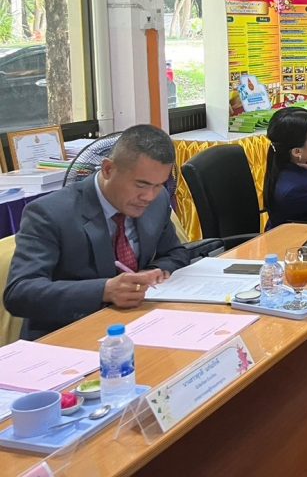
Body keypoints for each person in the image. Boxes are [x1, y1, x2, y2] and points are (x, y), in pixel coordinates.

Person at [4, 124, 189, 340]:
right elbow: (20, 292)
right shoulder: (50, 213)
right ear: (108, 169)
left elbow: (175, 254)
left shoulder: (158, 200)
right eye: (141, 185)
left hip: (137, 323)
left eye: (158, 185)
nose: (149, 196)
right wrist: (104, 290)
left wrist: (152, 273)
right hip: (69, 334)